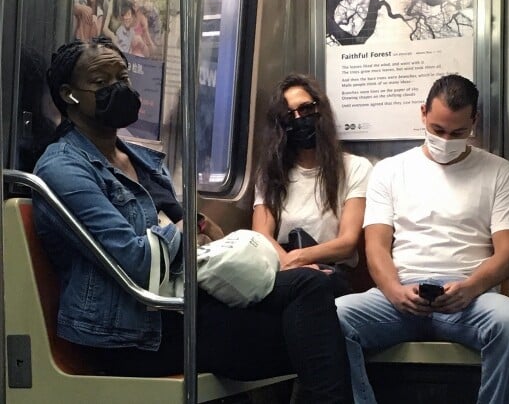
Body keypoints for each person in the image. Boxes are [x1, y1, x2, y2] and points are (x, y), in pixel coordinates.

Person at [32, 38, 352, 403]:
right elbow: (137, 262)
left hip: (182, 301)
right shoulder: (63, 169)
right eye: (102, 82)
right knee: (313, 328)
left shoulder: (141, 159)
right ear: (69, 94)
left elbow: (197, 231)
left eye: (122, 78)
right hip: (133, 329)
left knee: (315, 288)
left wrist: (193, 235)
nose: (118, 89)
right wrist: (187, 235)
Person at [336, 74, 509, 404]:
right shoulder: (389, 170)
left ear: (474, 121)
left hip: (468, 298)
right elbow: (376, 246)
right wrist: (394, 291)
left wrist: (470, 287)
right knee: (329, 318)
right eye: (438, 130)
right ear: (423, 114)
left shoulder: (500, 172)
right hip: (399, 294)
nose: (446, 139)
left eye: (458, 133)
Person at [253, 73, 372, 296]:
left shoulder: (355, 168)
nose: (299, 119)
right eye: (290, 116)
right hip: (282, 268)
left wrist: (301, 258)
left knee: (311, 289)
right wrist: (289, 264)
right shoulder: (269, 173)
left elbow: (347, 242)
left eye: (306, 109)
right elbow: (262, 234)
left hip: (331, 271)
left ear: (320, 110)